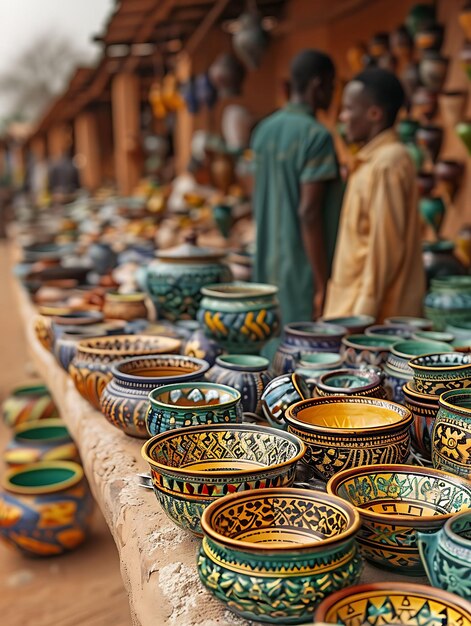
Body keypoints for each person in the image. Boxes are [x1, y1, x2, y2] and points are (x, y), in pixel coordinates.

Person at [324, 68, 425, 321]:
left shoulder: (387, 163)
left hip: (374, 318)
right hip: (349, 305)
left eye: (348, 109)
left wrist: (362, 315)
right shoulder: (370, 161)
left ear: (374, 114)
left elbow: (384, 248)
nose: (342, 117)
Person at [250, 49, 343, 324]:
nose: (332, 94)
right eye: (331, 86)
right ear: (318, 85)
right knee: (302, 353)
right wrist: (321, 282)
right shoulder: (316, 136)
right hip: (302, 269)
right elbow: (309, 212)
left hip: (266, 263)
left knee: (269, 348)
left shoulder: (263, 131)